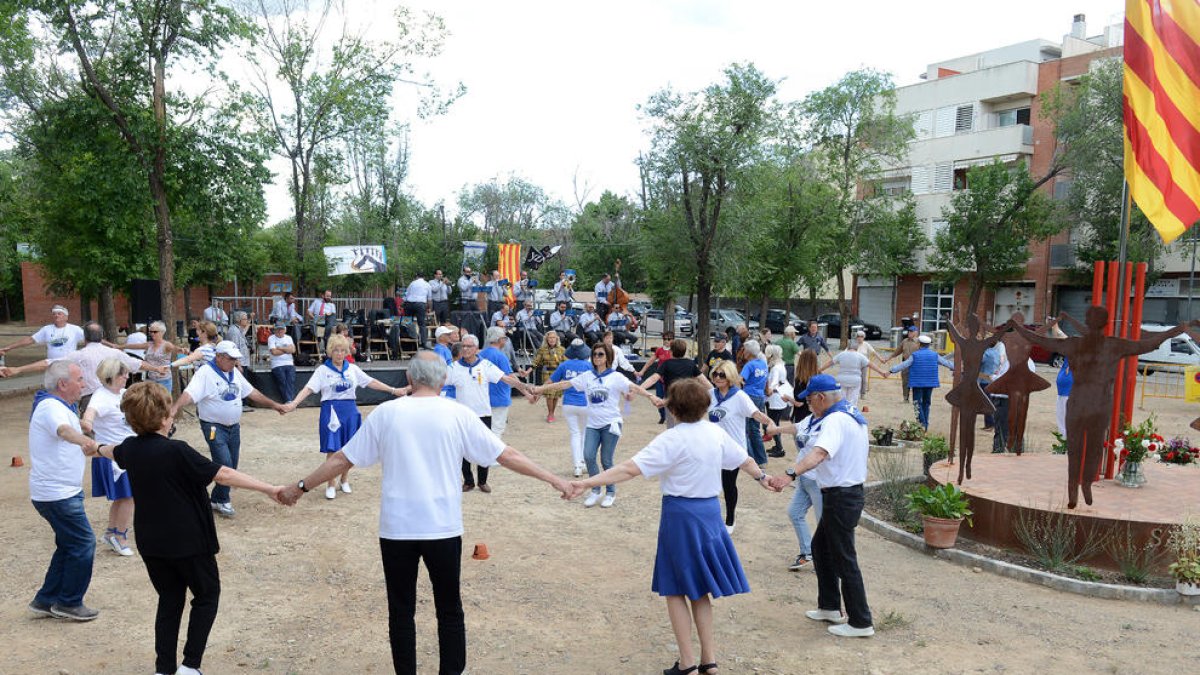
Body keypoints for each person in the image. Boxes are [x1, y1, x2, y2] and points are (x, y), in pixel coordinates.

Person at [278, 352, 568, 675]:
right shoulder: (458, 414)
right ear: (444, 380)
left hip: (397, 530)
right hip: (442, 529)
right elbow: (507, 455)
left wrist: (300, 487)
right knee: (449, 609)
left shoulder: (386, 413)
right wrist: (554, 479)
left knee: (401, 612)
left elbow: (341, 460)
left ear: (409, 379)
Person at [566, 377, 777, 675]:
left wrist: (586, 482)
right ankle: (709, 660)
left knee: (676, 588)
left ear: (673, 409)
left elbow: (628, 469)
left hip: (680, 514)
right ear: (705, 405)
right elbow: (746, 460)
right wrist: (763, 479)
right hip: (709, 514)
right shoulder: (715, 433)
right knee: (701, 588)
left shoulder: (672, 438)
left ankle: (688, 663)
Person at [90, 381, 287, 675]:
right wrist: (269, 488)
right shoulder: (177, 451)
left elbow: (110, 450)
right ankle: (190, 666)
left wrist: (94, 447)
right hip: (189, 541)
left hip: (152, 542)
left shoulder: (130, 449)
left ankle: (164, 668)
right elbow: (223, 474)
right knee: (207, 595)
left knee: (169, 600)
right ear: (165, 417)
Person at [764, 375, 873, 637]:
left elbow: (819, 453)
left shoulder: (835, 420)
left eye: (810, 399)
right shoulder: (847, 412)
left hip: (842, 496)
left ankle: (861, 622)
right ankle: (830, 607)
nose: (808, 404)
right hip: (842, 494)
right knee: (820, 548)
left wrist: (790, 473)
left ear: (821, 398)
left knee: (844, 557)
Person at [533, 341, 659, 508]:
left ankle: (611, 492)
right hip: (593, 424)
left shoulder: (616, 377)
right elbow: (565, 384)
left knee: (606, 460)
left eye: (600, 354)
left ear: (608, 357)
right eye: (594, 354)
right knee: (589, 456)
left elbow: (633, 387)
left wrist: (650, 397)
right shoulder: (587, 375)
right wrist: (540, 389)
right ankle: (595, 490)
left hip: (611, 423)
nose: (596, 357)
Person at [282, 334, 406, 500]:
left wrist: (393, 390)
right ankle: (330, 483)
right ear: (330, 352)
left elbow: (370, 382)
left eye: (342, 351)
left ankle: (345, 479)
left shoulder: (352, 369)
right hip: (331, 412)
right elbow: (308, 389)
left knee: (351, 449)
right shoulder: (322, 371)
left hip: (350, 411)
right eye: (336, 350)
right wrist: (294, 403)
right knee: (333, 450)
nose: (339, 354)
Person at [170, 341, 287, 517]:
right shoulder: (205, 373)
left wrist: (274, 405)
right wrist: (174, 409)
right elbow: (190, 393)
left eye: (235, 359)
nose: (234, 362)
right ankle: (223, 500)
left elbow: (252, 392)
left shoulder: (234, 373)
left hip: (234, 427)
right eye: (231, 359)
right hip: (213, 426)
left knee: (232, 464)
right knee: (225, 463)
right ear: (219, 357)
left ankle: (217, 498)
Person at [27, 361, 101, 621]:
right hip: (56, 494)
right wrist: (85, 441)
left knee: (68, 545)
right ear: (62, 384)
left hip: (61, 491)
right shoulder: (49, 407)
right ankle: (69, 602)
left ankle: (46, 599)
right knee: (83, 543)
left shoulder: (59, 405)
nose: (84, 384)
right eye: (79, 379)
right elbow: (63, 431)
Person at [1, 322, 166, 410]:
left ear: (84, 338)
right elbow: (138, 363)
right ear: (101, 336)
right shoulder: (114, 353)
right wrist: (156, 368)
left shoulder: (78, 355)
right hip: (113, 398)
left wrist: (18, 369)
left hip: (89, 399)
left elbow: (48, 363)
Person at [445, 334, 535, 492]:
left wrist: (525, 388)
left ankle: (482, 481)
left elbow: (506, 379)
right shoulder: (453, 367)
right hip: (462, 416)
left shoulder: (485, 365)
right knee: (463, 449)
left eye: (469, 346)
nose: (465, 349)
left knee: (484, 448)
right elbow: (437, 382)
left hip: (483, 414)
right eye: (463, 346)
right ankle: (468, 481)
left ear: (476, 348)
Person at [706, 360, 775, 534]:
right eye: (715, 374)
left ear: (730, 377)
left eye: (722, 374)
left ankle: (730, 520)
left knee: (728, 485)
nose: (718, 377)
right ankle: (711, 519)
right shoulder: (710, 395)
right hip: (713, 448)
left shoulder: (739, 396)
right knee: (710, 485)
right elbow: (692, 406)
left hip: (733, 450)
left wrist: (770, 423)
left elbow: (755, 414)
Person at [80, 358, 137, 557]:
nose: (127, 377)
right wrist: (87, 424)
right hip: (112, 456)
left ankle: (111, 532)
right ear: (112, 376)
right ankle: (120, 537)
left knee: (123, 498)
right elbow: (89, 415)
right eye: (123, 374)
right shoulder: (100, 397)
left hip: (127, 453)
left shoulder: (123, 394)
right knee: (129, 498)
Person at [888, 335, 953, 430]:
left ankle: (922, 424)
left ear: (919, 344)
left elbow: (904, 364)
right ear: (929, 345)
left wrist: (891, 371)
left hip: (917, 383)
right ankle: (925, 424)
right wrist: (960, 368)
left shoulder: (915, 355)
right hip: (930, 383)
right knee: (926, 403)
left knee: (917, 404)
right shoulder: (934, 355)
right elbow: (946, 363)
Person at [550, 339, 592, 477]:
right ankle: (583, 462)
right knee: (586, 433)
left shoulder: (564, 365)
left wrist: (537, 391)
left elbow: (551, 381)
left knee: (575, 434)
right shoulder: (589, 366)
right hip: (585, 403)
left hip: (569, 403)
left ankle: (577, 466)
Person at [480, 327, 529, 443]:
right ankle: (492, 458)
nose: (506, 340)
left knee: (486, 429)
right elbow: (511, 377)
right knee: (497, 428)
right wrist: (526, 392)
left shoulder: (481, 354)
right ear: (499, 339)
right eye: (504, 338)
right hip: (499, 396)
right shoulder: (500, 356)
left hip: (484, 397)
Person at [640, 338, 702, 428]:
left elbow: (653, 378)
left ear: (671, 351)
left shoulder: (666, 364)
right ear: (684, 351)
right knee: (687, 426)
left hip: (671, 400)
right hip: (687, 399)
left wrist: (640, 388)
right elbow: (703, 380)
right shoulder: (690, 364)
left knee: (672, 428)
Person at [0, 304, 84, 361]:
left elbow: (91, 339)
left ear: (66, 317)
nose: (56, 315)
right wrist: (9, 347)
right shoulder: (46, 329)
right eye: (54, 314)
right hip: (52, 365)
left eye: (59, 314)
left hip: (70, 365)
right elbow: (30, 340)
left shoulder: (75, 329)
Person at [820, 344, 888, 407]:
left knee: (841, 400)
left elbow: (830, 363)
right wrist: (881, 372)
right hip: (855, 380)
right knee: (852, 401)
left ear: (848, 348)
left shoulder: (841, 354)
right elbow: (871, 365)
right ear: (856, 349)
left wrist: (820, 369)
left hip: (841, 380)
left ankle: (841, 413)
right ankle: (850, 413)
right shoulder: (860, 356)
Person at [739, 340, 769, 467]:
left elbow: (740, 380)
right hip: (760, 397)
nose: (743, 352)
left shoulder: (749, 365)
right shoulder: (763, 363)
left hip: (748, 396)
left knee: (745, 429)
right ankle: (762, 459)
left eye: (745, 350)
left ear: (749, 352)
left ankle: (750, 459)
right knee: (755, 429)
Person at [136, 321, 185, 392]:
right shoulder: (149, 344)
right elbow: (134, 346)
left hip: (164, 381)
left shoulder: (166, 345)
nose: (152, 333)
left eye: (155, 332)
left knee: (164, 402)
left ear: (162, 332)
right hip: (151, 381)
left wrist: (182, 350)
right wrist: (119, 346)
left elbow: (176, 349)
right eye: (151, 331)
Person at [639, 333, 675, 424]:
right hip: (660, 378)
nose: (667, 340)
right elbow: (650, 362)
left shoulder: (674, 351)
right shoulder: (659, 350)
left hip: (670, 379)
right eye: (665, 338)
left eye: (669, 338)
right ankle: (662, 416)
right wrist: (642, 371)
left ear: (673, 340)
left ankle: (670, 416)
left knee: (670, 399)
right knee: (659, 397)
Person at [764, 344, 792, 458]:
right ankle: (778, 446)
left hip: (774, 399)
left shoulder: (775, 368)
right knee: (776, 423)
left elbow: (774, 383)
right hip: (779, 398)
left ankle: (779, 448)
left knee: (773, 424)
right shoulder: (781, 365)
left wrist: (768, 390)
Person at [531, 331, 566, 422]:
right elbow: (536, 362)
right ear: (546, 339)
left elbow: (566, 363)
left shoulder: (562, 349)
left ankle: (552, 413)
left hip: (558, 374)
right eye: (550, 337)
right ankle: (550, 413)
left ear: (557, 339)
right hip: (547, 373)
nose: (552, 339)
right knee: (549, 395)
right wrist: (527, 371)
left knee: (556, 396)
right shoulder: (542, 350)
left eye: (554, 337)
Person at [883, 326, 921, 402]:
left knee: (916, 382)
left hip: (916, 365)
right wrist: (888, 358)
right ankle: (905, 398)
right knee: (905, 382)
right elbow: (897, 351)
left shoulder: (919, 342)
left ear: (916, 333)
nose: (909, 333)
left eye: (911, 331)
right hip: (905, 365)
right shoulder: (905, 341)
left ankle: (916, 399)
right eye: (909, 331)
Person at [268, 322, 297, 402]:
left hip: (290, 363)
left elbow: (293, 350)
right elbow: (274, 352)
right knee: (283, 381)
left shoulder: (289, 338)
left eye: (281, 329)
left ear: (285, 330)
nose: (280, 331)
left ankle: (289, 401)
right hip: (277, 364)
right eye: (278, 329)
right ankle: (289, 401)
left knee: (290, 381)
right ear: (274, 330)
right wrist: (287, 350)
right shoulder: (271, 338)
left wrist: (280, 348)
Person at [404, 272, 433, 349]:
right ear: (424, 277)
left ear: (417, 277)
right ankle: (423, 343)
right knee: (422, 324)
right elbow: (429, 299)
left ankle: (407, 342)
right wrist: (429, 308)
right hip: (420, 304)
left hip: (409, 304)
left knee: (407, 322)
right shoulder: (427, 284)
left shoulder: (412, 283)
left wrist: (403, 304)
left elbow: (406, 295)